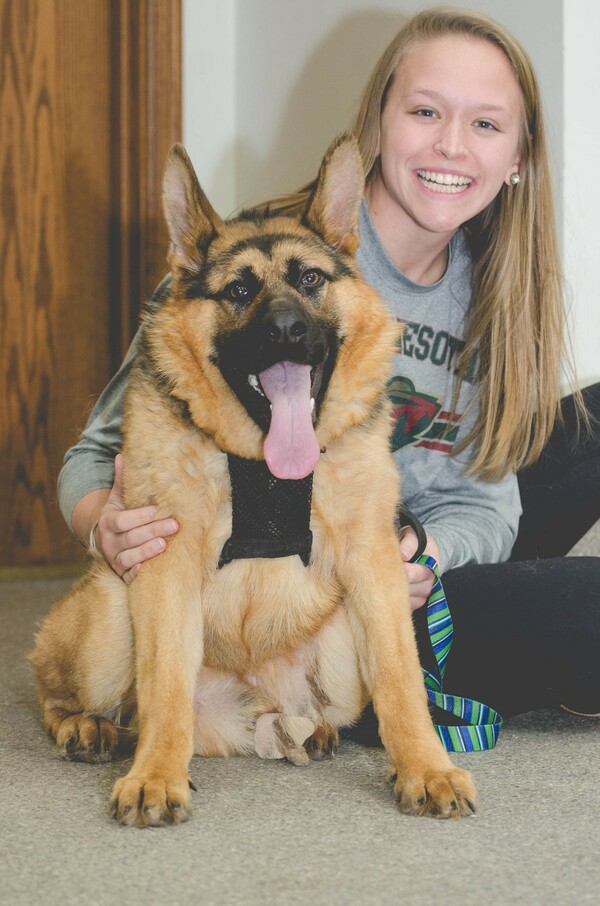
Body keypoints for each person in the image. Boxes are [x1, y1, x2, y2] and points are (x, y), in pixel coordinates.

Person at [58, 7, 600, 721]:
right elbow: (92, 455)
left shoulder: (497, 287)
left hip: (411, 557)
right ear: (378, 125)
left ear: (519, 158)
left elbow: (491, 508)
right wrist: (106, 525)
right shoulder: (249, 273)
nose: (451, 145)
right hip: (329, 597)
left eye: (487, 125)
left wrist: (426, 551)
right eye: (426, 111)